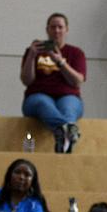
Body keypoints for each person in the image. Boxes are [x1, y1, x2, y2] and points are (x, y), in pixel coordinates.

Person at [20, 13, 87, 153]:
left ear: (66, 29)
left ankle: (63, 143)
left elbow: (77, 81)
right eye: (53, 27)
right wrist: (32, 56)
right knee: (43, 103)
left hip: (68, 95)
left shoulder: (76, 53)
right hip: (37, 96)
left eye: (60, 27)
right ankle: (66, 129)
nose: (56, 30)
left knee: (69, 108)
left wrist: (60, 62)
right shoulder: (33, 51)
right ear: (47, 29)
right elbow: (27, 80)